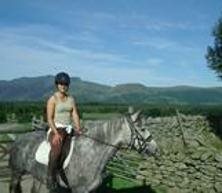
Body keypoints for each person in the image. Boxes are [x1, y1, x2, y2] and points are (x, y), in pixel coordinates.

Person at [46, 72, 82, 189]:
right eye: (61, 83)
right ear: (57, 84)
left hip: (68, 128)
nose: (63, 86)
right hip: (56, 128)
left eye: (65, 84)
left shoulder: (71, 99)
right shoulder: (52, 99)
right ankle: (50, 176)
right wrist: (55, 133)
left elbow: (75, 114)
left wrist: (78, 128)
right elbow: (49, 118)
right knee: (57, 150)